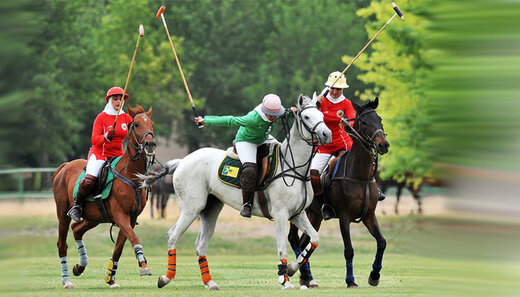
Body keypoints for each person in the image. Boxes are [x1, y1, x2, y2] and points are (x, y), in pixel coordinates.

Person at [194, 94, 295, 218]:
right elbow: (230, 120)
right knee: (250, 169)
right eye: (270, 115)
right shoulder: (252, 118)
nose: (274, 118)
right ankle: (247, 204)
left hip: (264, 138)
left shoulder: (276, 111)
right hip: (246, 141)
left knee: (284, 154)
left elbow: (285, 114)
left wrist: (292, 112)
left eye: (276, 115)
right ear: (264, 111)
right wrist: (205, 120)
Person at [67, 86, 133, 223]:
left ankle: (126, 210)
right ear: (109, 101)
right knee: (90, 180)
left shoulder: (126, 118)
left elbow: (137, 128)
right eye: (115, 99)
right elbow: (94, 139)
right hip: (100, 155)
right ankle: (76, 206)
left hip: (118, 156)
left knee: (128, 180)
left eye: (120, 99)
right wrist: (106, 136)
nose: (118, 102)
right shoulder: (101, 118)